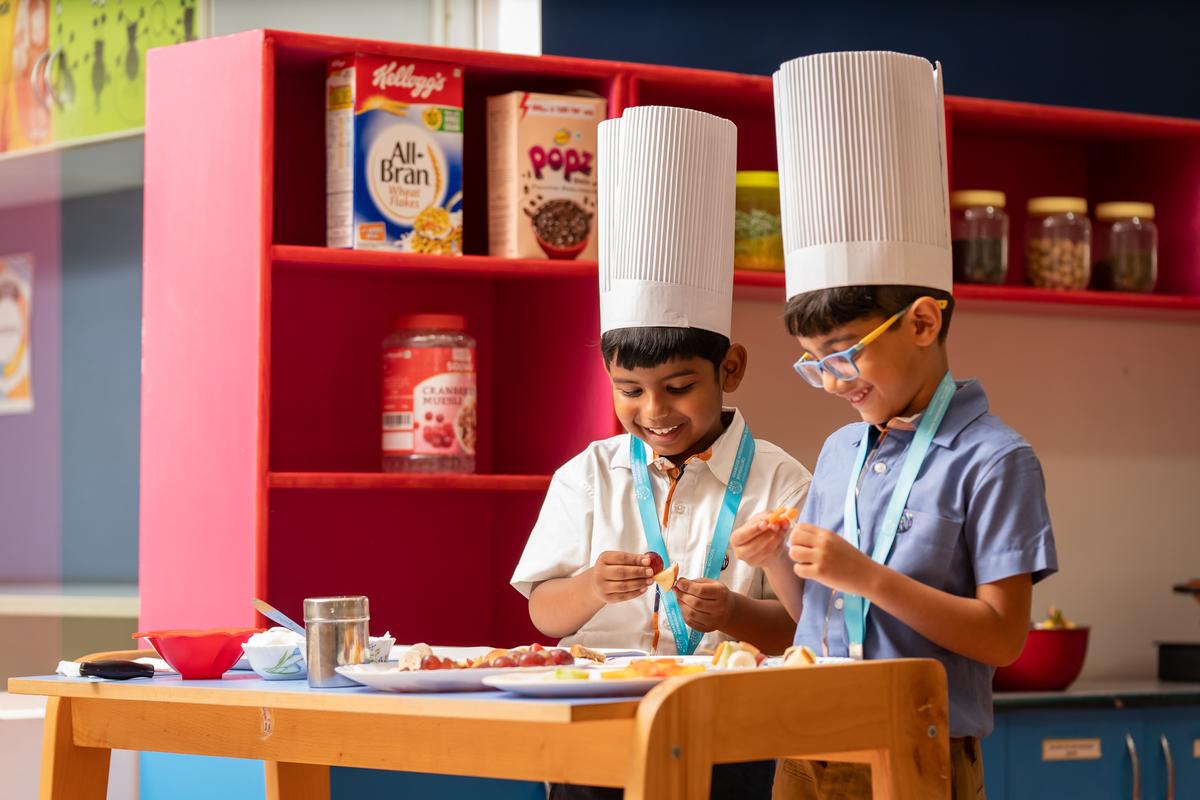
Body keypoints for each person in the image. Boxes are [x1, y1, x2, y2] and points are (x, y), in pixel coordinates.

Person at [732, 51, 1058, 800]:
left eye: (844, 356)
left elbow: (1003, 637)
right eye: (813, 364)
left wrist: (865, 575)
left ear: (921, 321)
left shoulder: (995, 459)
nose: (834, 382)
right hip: (808, 736)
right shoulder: (841, 448)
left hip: (921, 744)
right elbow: (816, 612)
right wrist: (783, 559)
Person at [510, 105, 811, 800]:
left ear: (729, 370)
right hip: (595, 735)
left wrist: (734, 614)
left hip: (738, 740)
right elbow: (543, 614)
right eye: (629, 391)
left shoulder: (779, 479)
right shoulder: (589, 476)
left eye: (678, 387)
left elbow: (801, 629)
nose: (654, 412)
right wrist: (590, 586)